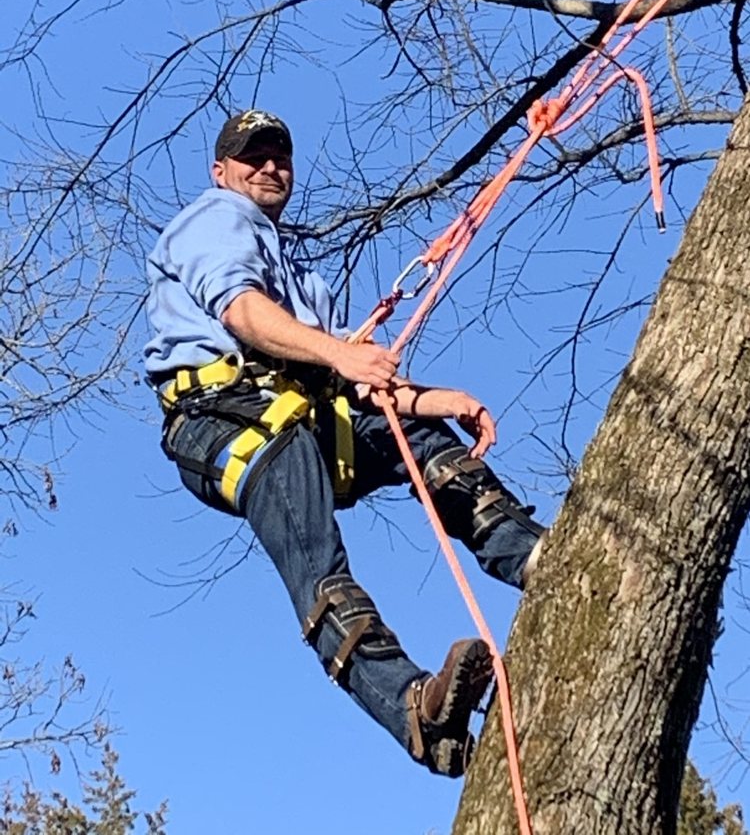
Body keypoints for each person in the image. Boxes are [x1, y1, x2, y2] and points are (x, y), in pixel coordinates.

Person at [144, 109, 545, 777]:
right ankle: (413, 708)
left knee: (411, 433)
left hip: (299, 414)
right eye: (253, 156)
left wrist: (434, 401)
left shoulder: (305, 282)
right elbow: (241, 312)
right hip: (223, 416)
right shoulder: (215, 218)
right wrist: (339, 353)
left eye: (281, 155)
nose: (270, 166)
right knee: (315, 559)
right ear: (221, 171)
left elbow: (353, 385)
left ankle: (533, 556)